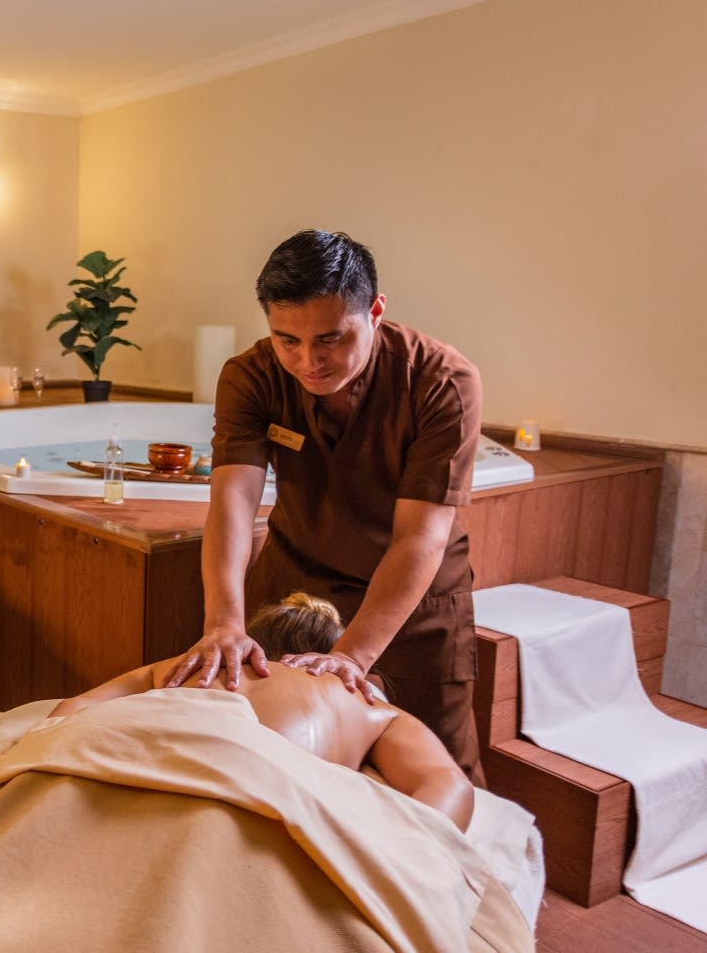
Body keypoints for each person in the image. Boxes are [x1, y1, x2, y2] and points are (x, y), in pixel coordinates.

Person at [165, 230, 485, 783]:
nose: (308, 361)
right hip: (294, 588)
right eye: (287, 339)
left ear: (375, 312)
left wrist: (352, 657)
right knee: (273, 762)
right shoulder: (252, 375)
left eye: (331, 339)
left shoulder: (441, 380)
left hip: (410, 606)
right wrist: (223, 623)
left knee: (438, 773)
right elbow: (233, 501)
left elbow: (420, 537)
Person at [54, 593, 474, 831]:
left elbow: (70, 712)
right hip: (252, 813)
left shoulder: (187, 666)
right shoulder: (358, 698)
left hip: (143, 793)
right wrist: (390, 850)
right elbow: (450, 787)